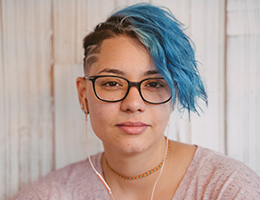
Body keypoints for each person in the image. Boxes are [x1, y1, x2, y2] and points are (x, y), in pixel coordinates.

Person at [11, 3, 260, 200]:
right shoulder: (47, 195)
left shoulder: (228, 189)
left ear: (173, 94)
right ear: (84, 95)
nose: (133, 103)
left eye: (154, 84)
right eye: (111, 83)